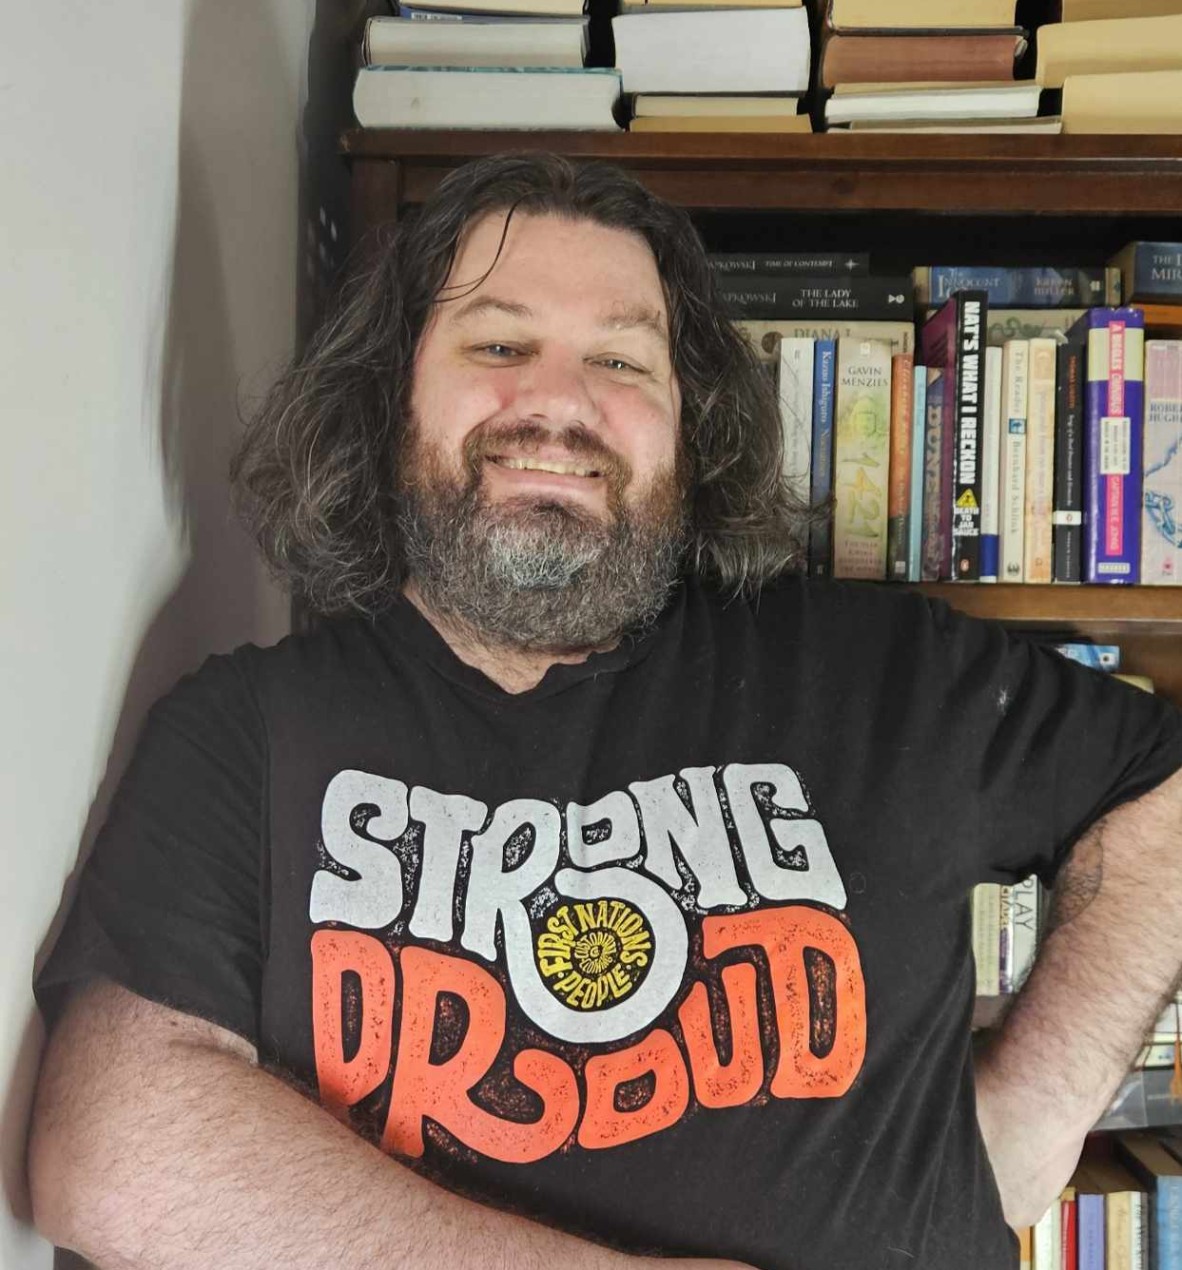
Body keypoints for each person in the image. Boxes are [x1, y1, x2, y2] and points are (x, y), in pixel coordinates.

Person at [26, 152, 1182, 1270]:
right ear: (390, 401)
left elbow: (1160, 791)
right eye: (499, 342)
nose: (560, 403)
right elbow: (113, 1150)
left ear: (690, 422)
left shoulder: (881, 668)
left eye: (623, 363)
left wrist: (1032, 1126)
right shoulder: (249, 733)